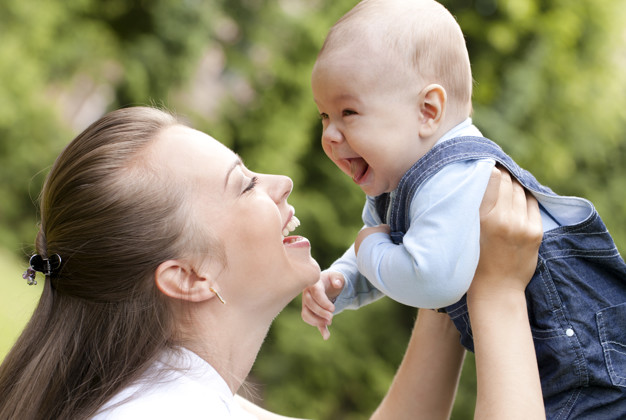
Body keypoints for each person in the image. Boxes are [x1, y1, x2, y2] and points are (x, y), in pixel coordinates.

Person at [0, 106, 542, 420]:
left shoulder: (168, 395)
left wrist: (440, 267)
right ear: (188, 276)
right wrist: (497, 296)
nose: (280, 183)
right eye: (245, 184)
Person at [302, 0, 626, 418]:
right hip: (554, 368)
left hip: (589, 369)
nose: (329, 134)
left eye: (348, 112)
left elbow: (429, 278)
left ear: (427, 111)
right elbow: (390, 250)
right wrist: (345, 280)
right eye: (324, 115)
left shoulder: (452, 177)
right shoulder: (403, 181)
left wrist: (368, 251)